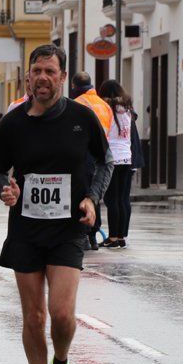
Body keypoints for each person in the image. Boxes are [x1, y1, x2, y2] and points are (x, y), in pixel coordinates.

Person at [0, 44, 113, 364]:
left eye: (50, 71)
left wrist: (93, 198)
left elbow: (104, 160)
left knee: (61, 315)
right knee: (33, 318)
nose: (42, 77)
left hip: (68, 229)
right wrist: (4, 190)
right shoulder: (12, 124)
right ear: (29, 77)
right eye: (37, 71)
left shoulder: (81, 118)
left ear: (62, 77)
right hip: (26, 230)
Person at [71, 72, 113, 251]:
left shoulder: (78, 103)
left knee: (83, 194)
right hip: (101, 151)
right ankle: (94, 236)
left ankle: (84, 236)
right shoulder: (105, 105)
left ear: (74, 86)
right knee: (94, 196)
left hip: (84, 152)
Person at [98, 80, 134, 248]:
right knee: (121, 199)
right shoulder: (127, 110)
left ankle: (112, 237)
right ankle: (121, 236)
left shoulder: (107, 111)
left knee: (111, 199)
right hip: (127, 158)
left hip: (113, 158)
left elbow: (104, 134)